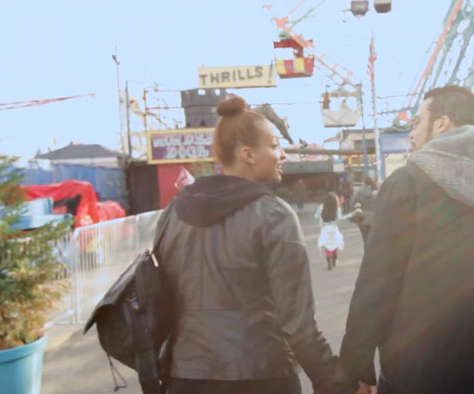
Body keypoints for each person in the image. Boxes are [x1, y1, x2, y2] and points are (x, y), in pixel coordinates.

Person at [340, 86, 474, 394]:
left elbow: (378, 281)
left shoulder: (407, 185)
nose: (411, 134)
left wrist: (356, 365)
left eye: (416, 122)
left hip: (415, 377)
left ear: (442, 124)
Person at [153, 96, 357, 394]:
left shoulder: (173, 212)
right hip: (261, 375)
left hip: (185, 376)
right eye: (274, 145)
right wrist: (334, 381)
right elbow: (297, 324)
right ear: (248, 155)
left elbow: (161, 299)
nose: (283, 154)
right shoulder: (274, 215)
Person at [315, 192, 358, 270]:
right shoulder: (337, 209)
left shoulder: (322, 207)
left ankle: (329, 263)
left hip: (325, 228)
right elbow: (341, 218)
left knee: (327, 245)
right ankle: (334, 259)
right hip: (334, 228)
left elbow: (316, 216)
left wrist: (320, 215)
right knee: (334, 243)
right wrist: (351, 214)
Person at [350, 176, 378, 247]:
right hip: (375, 219)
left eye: (362, 182)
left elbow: (352, 203)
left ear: (365, 184)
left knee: (365, 238)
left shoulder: (359, 192)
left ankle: (367, 254)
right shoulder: (377, 193)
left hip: (363, 218)